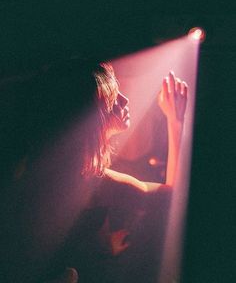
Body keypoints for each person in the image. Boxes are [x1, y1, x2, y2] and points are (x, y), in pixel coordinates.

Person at [0, 59, 187, 283]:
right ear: (93, 118)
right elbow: (171, 198)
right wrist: (175, 122)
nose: (124, 100)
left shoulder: (42, 163)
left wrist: (101, 244)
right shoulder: (87, 181)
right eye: (113, 99)